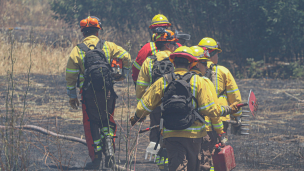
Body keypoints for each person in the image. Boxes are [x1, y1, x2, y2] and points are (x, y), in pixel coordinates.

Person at [130, 46, 240, 171]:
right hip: (195, 137)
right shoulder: (199, 81)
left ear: (173, 62)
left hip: (171, 134)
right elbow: (209, 109)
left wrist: (136, 117)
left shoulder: (163, 81)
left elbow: (144, 106)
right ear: (192, 63)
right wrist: (228, 110)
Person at [65, 16, 131, 169]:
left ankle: (96, 159)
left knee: (91, 124)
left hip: (87, 93)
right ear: (98, 31)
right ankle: (110, 152)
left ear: (83, 33)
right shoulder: (108, 46)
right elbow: (126, 57)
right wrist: (123, 75)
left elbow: (70, 75)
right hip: (107, 91)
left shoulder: (77, 50)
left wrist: (72, 96)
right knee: (108, 121)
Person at [136, 29, 178, 145]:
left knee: (155, 127)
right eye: (174, 43)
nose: (175, 46)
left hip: (156, 103)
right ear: (168, 44)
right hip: (174, 101)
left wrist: (141, 106)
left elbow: (141, 86)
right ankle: (169, 155)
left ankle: (156, 157)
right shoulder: (177, 60)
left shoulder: (150, 61)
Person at [190, 46, 223, 171]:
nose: (206, 66)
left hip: (181, 131)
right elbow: (213, 110)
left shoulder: (176, 79)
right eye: (204, 63)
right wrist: (220, 131)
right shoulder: (205, 82)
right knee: (205, 163)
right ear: (196, 64)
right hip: (204, 130)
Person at [132, 14, 185, 86]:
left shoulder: (146, 48)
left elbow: (136, 71)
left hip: (155, 88)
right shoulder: (178, 46)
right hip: (176, 87)